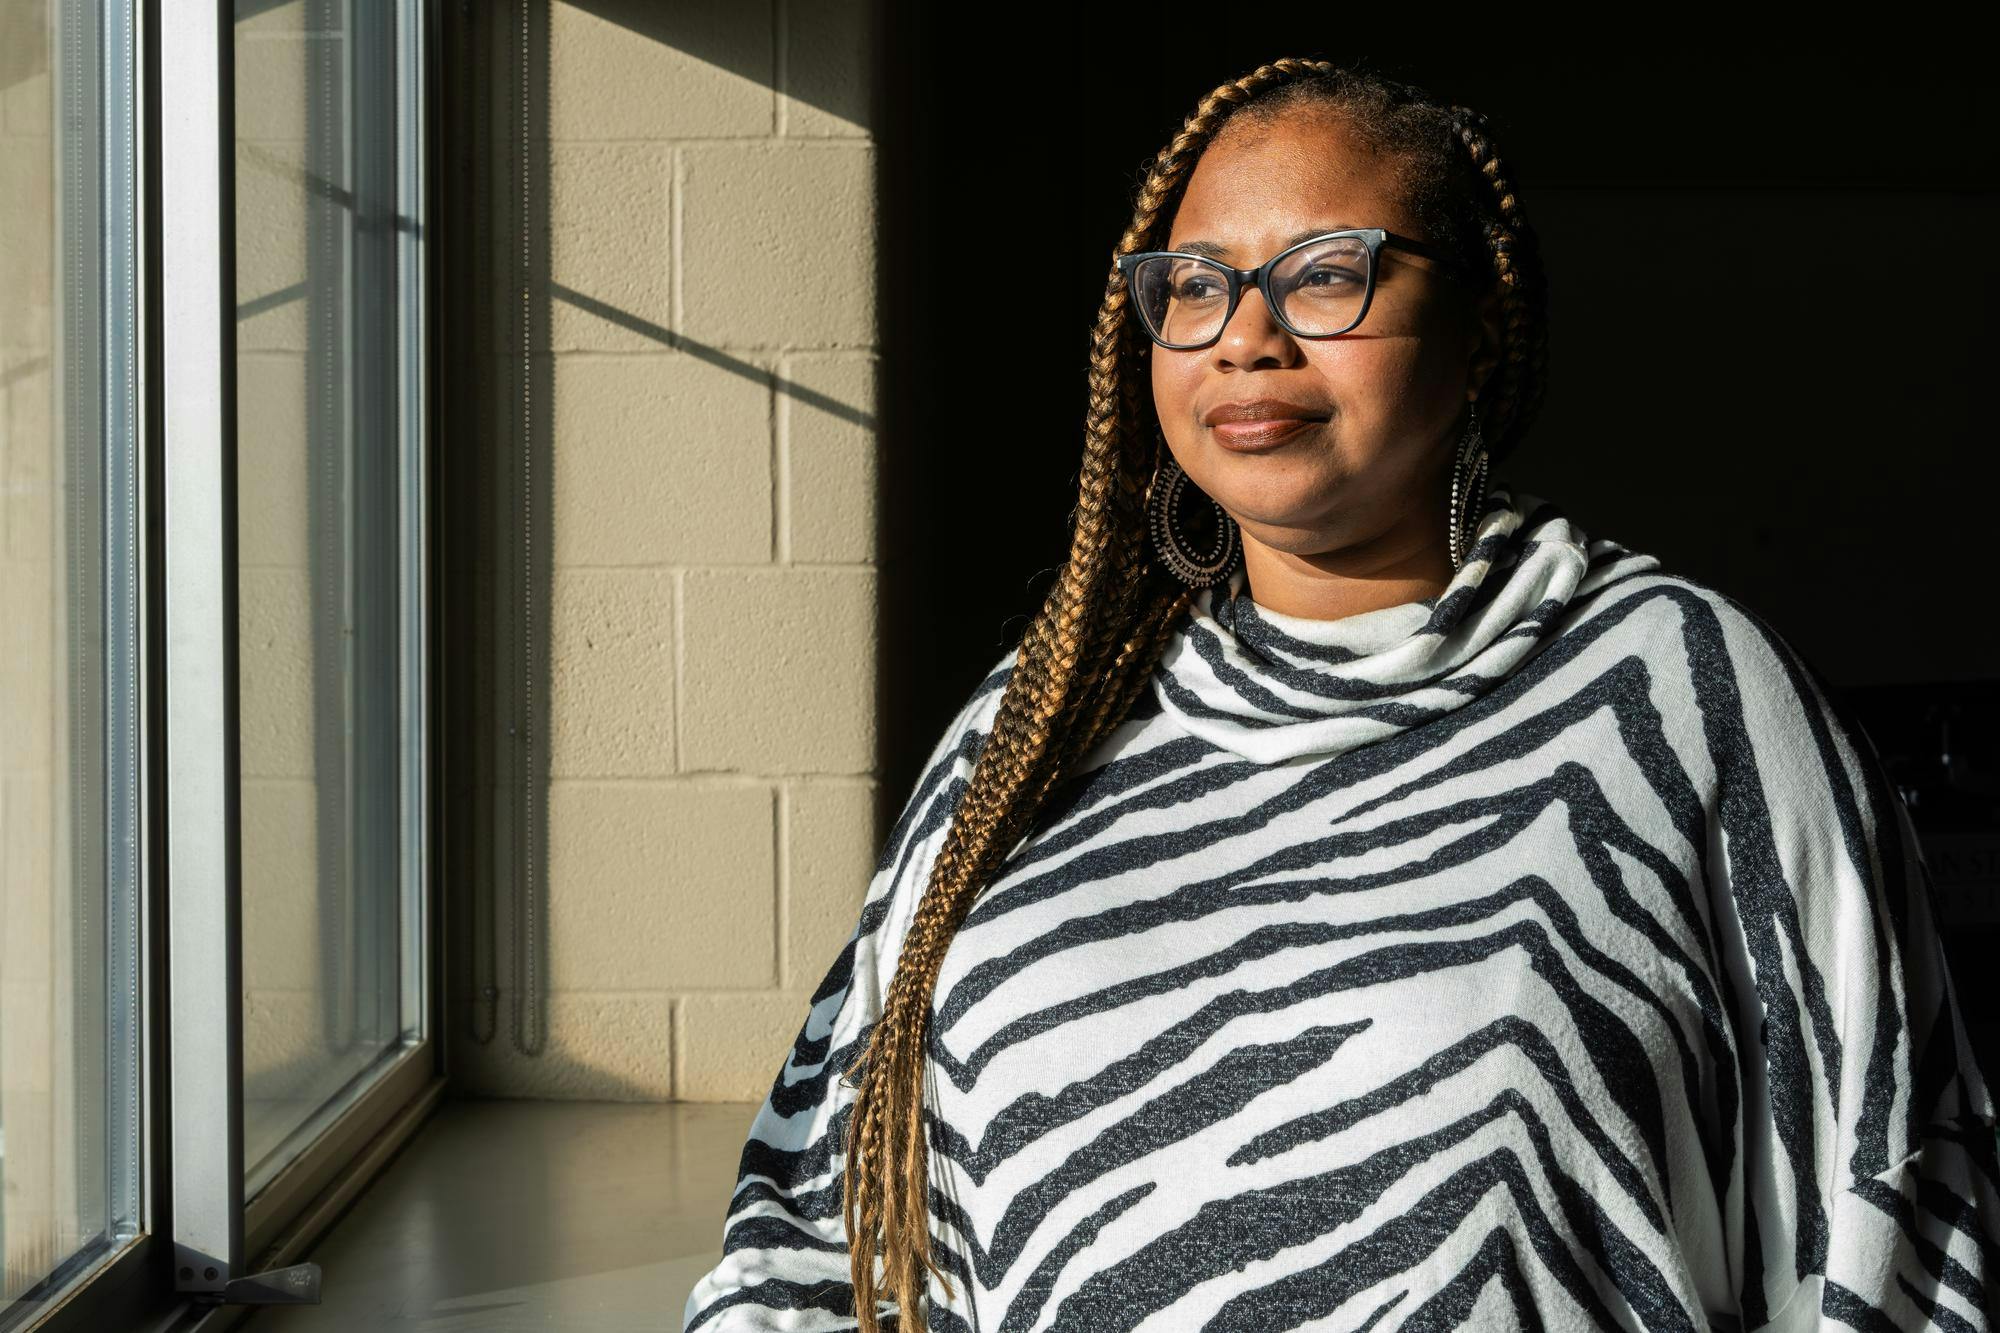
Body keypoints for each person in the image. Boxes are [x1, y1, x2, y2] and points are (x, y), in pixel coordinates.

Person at [682, 57, 1999, 1332]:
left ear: (1481, 327)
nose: (1246, 337)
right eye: (1193, 286)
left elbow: (1893, 1204)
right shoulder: (1035, 724)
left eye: (1325, 276)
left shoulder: (1683, 689)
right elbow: (818, 1216)